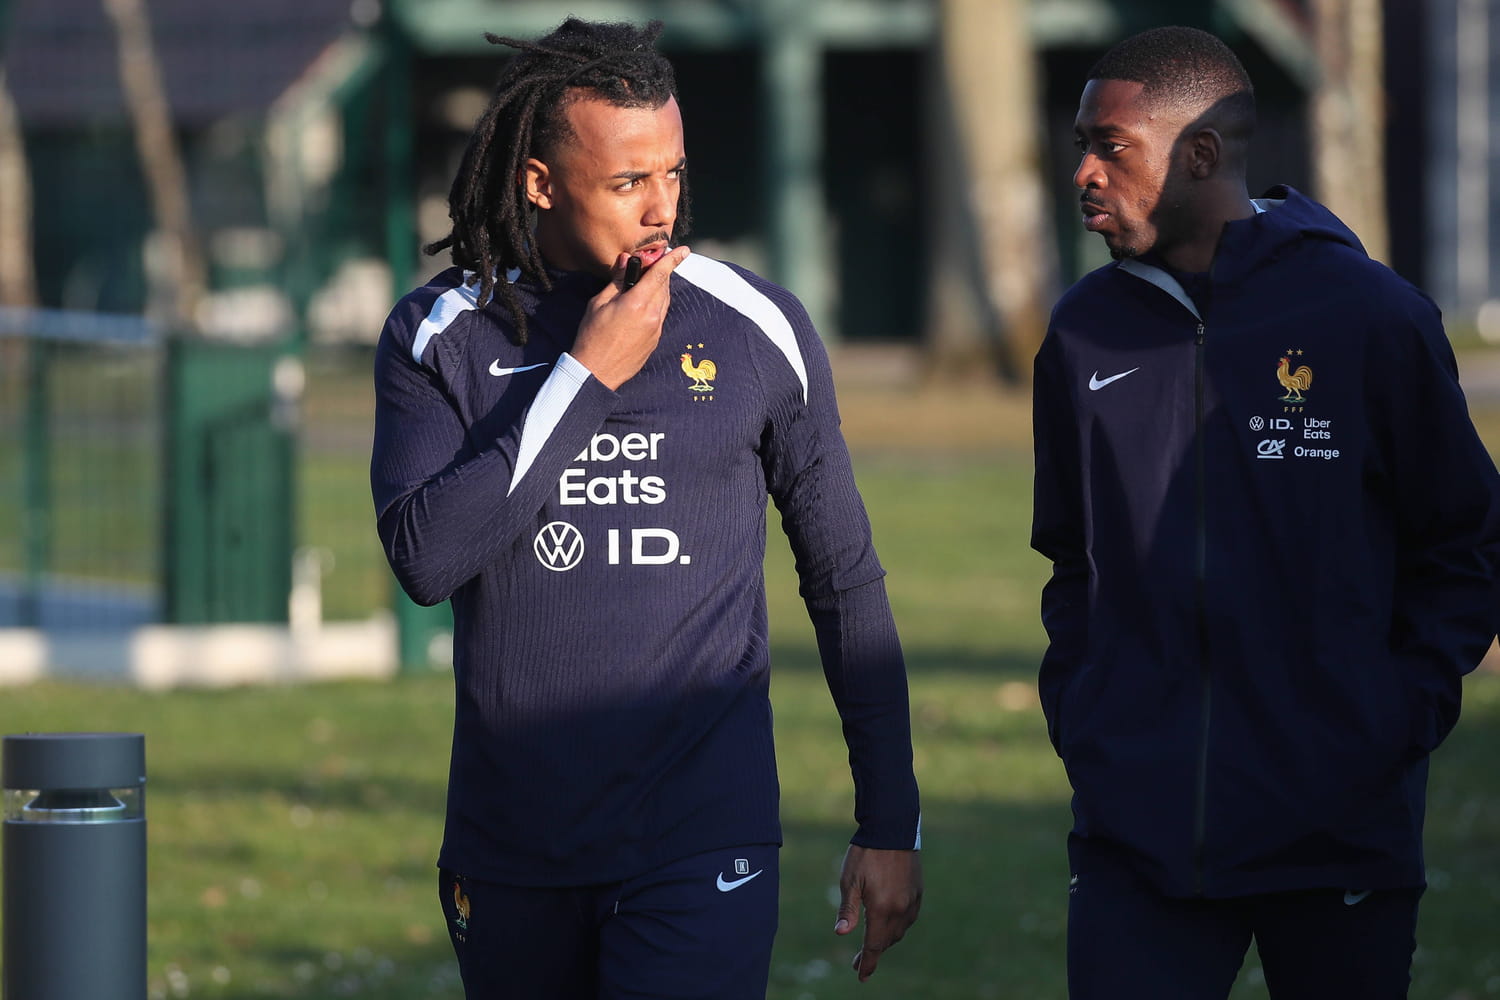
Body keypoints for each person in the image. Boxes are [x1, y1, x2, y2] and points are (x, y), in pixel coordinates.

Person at [369, 18, 921, 999]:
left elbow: (844, 580)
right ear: (540, 182)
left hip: (701, 835)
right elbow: (426, 557)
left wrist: (890, 818)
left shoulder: (756, 326)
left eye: (672, 172)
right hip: (512, 845)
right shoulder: (440, 334)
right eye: (628, 181)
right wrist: (584, 376)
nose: (661, 206)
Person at [1031, 24, 1500, 1000]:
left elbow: (1465, 543)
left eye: (1111, 146)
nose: (1083, 172)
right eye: (1081, 143)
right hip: (1137, 831)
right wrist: (1089, 720)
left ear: (1200, 155)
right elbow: (1072, 559)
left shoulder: (1371, 316)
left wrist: (1392, 717)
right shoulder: (1082, 331)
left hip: (1339, 831)